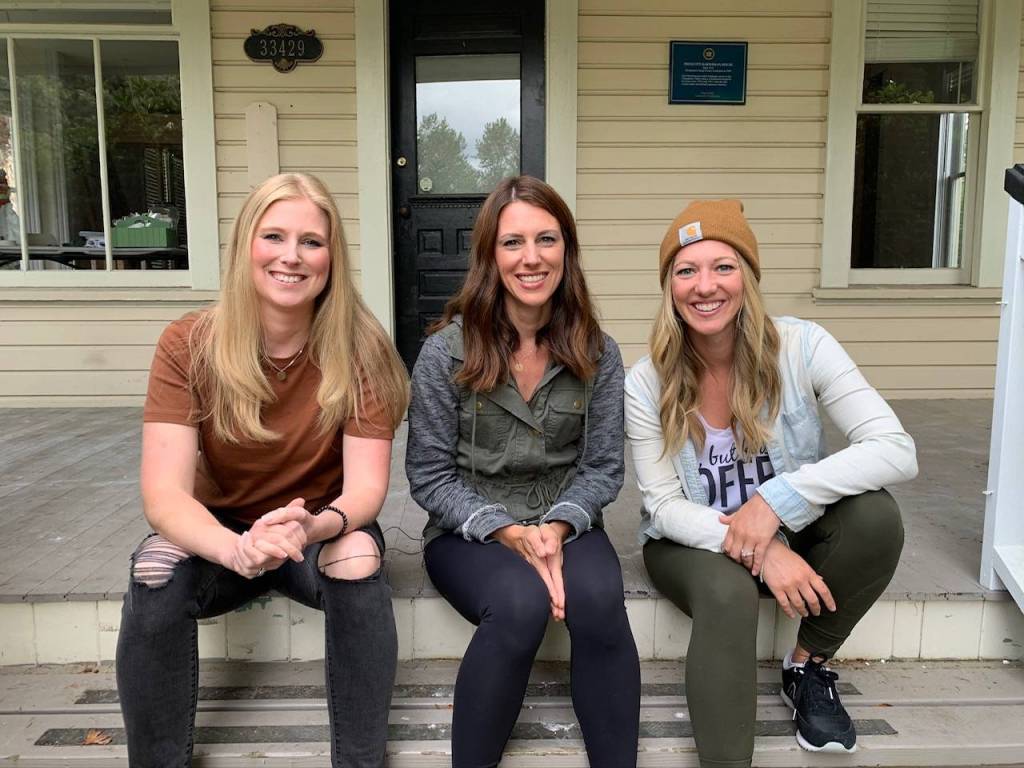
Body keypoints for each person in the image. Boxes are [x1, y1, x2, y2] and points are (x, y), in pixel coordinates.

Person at [116, 172, 409, 768]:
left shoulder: (363, 348)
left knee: (360, 559)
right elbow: (164, 497)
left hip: (319, 525)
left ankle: (360, 760)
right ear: (245, 245)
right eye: (273, 236)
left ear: (333, 257)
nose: (292, 257)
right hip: (219, 529)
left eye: (312, 241)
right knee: (154, 568)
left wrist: (308, 528)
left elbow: (366, 490)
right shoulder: (189, 344)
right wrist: (235, 549)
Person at [625, 199, 918, 763]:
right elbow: (663, 506)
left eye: (723, 267)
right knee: (728, 591)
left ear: (749, 278)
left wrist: (776, 503)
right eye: (686, 271)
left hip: (789, 526)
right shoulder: (647, 380)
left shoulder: (804, 347)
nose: (704, 286)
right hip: (691, 541)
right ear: (669, 288)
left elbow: (895, 449)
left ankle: (806, 668)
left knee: (876, 517)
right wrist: (762, 549)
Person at [406, 175, 641, 768]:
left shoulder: (598, 351)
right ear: (489, 255)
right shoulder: (446, 353)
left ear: (567, 250)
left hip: (567, 521)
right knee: (518, 604)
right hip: (471, 532)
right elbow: (429, 477)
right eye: (512, 243)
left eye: (546, 239)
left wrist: (559, 526)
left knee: (599, 599)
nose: (531, 258)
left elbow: (603, 468)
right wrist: (505, 530)